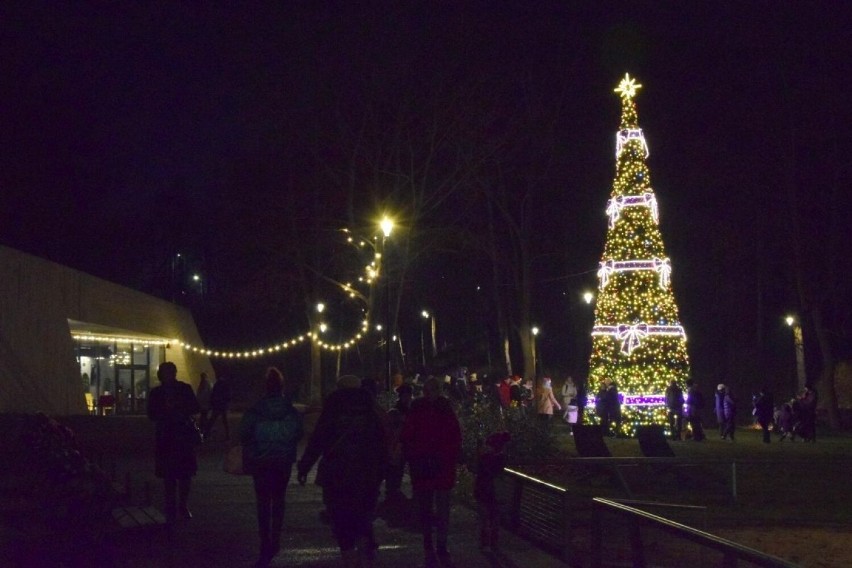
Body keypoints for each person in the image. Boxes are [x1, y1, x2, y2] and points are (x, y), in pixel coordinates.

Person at [297, 375, 388, 567]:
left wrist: (304, 465)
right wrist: (384, 469)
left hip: (337, 471)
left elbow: (318, 439)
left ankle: (349, 555)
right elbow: (382, 440)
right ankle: (365, 548)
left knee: (339, 516)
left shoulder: (333, 407)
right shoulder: (370, 408)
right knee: (364, 512)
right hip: (366, 471)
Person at [240, 367, 304, 567]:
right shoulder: (289, 409)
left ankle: (264, 540)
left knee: (262, 501)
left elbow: (244, 432)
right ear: (281, 387)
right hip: (282, 460)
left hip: (260, 460)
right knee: (278, 499)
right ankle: (275, 537)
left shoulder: (256, 409)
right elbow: (299, 432)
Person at [401, 376, 462, 568]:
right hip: (441, 464)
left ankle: (431, 546)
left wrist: (412, 457)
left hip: (424, 465)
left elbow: (408, 436)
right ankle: (439, 545)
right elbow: (455, 436)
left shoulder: (417, 409)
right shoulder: (445, 409)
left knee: (427, 508)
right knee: (440, 507)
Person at [147, 361, 201, 525]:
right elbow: (152, 414)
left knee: (183, 474)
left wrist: (178, 407)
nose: (169, 375)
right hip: (169, 436)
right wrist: (166, 410)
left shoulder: (182, 389)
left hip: (179, 435)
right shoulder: (158, 393)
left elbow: (195, 407)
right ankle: (173, 506)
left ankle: (181, 505)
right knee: (171, 475)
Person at [474, 431, 510, 552]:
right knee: (494, 517)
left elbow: (478, 468)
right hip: (493, 491)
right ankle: (494, 542)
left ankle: (485, 543)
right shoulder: (501, 459)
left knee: (484, 518)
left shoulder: (485, 458)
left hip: (483, 490)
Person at [384, 383, 413, 504]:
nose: (408, 397)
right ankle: (393, 490)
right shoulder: (399, 410)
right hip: (400, 443)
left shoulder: (406, 408)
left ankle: (393, 490)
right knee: (397, 467)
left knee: (398, 468)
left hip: (404, 443)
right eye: (406, 395)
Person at [206, 375, 232, 440]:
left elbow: (213, 395)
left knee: (212, 420)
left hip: (217, 405)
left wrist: (212, 403)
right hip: (223, 405)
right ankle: (227, 435)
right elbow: (228, 395)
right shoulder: (225, 385)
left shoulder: (216, 385)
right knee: (225, 421)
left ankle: (207, 433)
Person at [196, 372, 212, 436]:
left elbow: (201, 394)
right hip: (205, 403)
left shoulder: (203, 384)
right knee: (204, 416)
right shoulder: (208, 383)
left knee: (203, 417)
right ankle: (205, 430)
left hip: (204, 403)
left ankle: (203, 429)